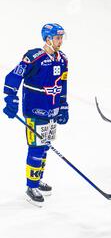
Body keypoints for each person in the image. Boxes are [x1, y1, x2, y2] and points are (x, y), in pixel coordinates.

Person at [3, 23, 68, 207]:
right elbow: (13, 77)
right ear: (48, 39)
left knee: (45, 146)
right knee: (36, 148)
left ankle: (37, 179)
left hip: (52, 112)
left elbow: (63, 84)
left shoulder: (62, 59)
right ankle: (31, 187)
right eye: (57, 38)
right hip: (35, 110)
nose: (60, 41)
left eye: (62, 37)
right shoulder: (34, 57)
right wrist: (11, 98)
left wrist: (63, 106)